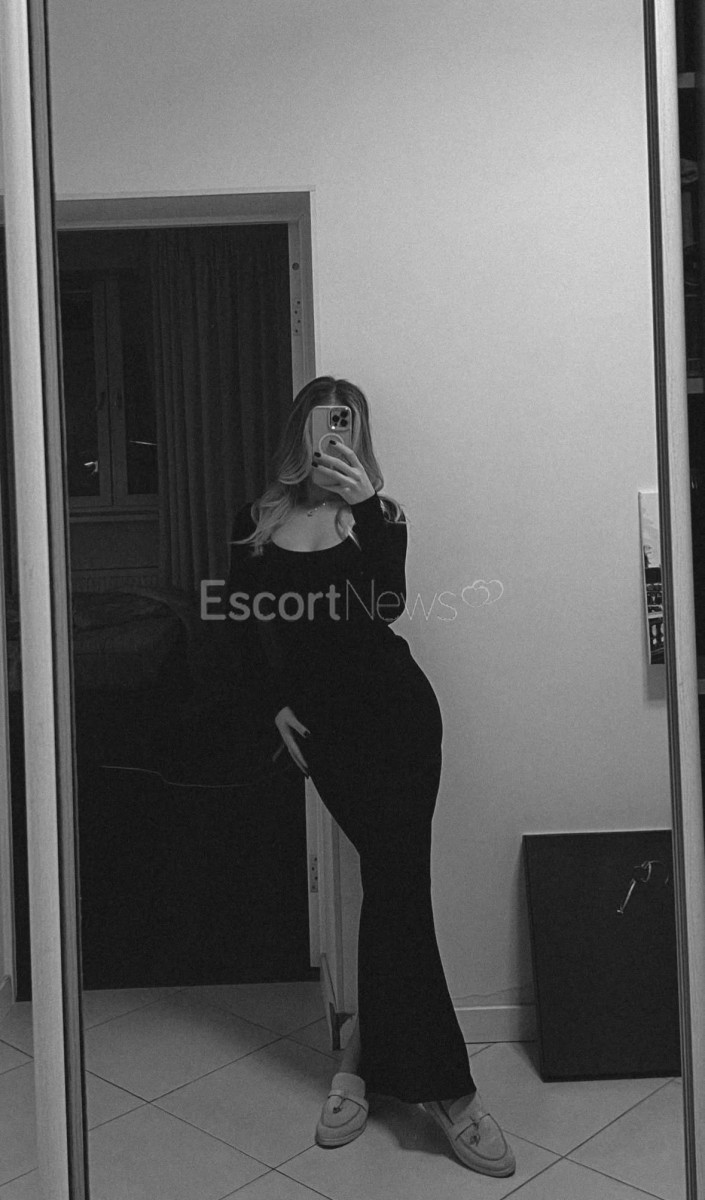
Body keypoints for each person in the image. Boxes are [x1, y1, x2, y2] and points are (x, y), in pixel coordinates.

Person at [221, 376, 515, 1178]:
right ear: (301, 429)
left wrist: (369, 511)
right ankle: (389, 1066)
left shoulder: (380, 516)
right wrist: (271, 705)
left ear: (359, 435)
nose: (335, 437)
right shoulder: (256, 521)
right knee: (393, 890)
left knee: (396, 890)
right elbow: (241, 628)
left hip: (399, 721)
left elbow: (386, 605)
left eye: (347, 425)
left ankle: (432, 1086)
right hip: (328, 739)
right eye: (324, 423)